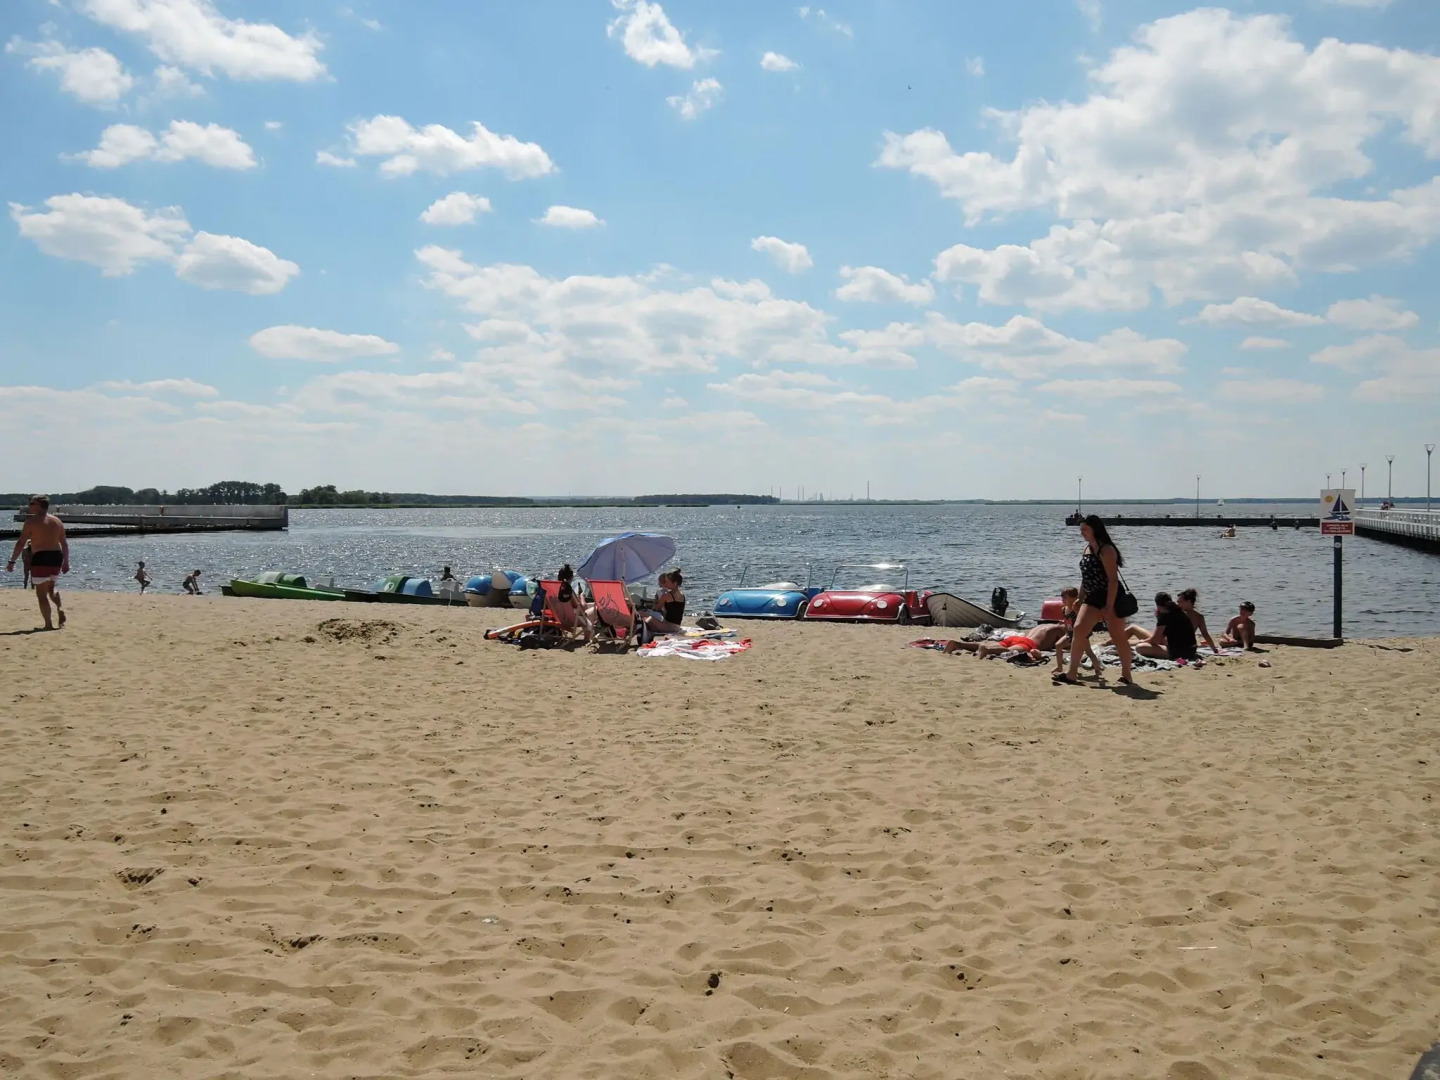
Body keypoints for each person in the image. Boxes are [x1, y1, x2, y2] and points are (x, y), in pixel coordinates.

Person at [1055, 514, 1134, 686]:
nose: (1081, 532)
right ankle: (1071, 674)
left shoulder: (1107, 550)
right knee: (1078, 629)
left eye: (1084, 529)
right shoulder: (1087, 548)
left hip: (1110, 596)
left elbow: (1112, 580)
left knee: (1117, 636)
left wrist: (1108, 606)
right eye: (1081, 529)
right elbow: (1086, 577)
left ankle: (1127, 675)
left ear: (1094, 529)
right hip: (1092, 597)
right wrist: (1080, 597)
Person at [6, 495, 68, 630]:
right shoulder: (57, 521)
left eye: (32, 503)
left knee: (41, 593)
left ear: (39, 505)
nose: (29, 505)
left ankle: (48, 625)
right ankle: (60, 607)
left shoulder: (31, 522)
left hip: (41, 556)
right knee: (51, 587)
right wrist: (66, 561)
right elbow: (64, 543)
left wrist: (12, 561)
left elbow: (21, 542)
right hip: (57, 556)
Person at [1133, 592, 1198, 661]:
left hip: (1180, 652)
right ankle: (1121, 644)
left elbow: (1156, 640)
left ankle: (1122, 646)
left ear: (1158, 605)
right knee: (1133, 628)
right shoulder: (1178, 611)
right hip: (1190, 648)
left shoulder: (1165, 616)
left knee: (1139, 647)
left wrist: (1143, 641)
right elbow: (1161, 638)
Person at [1053, 586, 1102, 676]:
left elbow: (1083, 620)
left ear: (1074, 598)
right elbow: (1067, 621)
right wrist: (1062, 622)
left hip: (1081, 634)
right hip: (1070, 634)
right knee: (1058, 645)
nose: (1063, 599)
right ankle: (1059, 667)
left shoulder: (1076, 610)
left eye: (1065, 597)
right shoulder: (1063, 609)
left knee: (1089, 652)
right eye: (1062, 597)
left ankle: (1097, 669)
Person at [551, 563, 593, 643]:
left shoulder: (552, 589)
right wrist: (582, 597)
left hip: (558, 618)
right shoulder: (568, 589)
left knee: (593, 605)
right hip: (572, 620)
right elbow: (582, 608)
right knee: (596, 609)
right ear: (570, 578)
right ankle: (587, 637)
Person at [1176, 588, 1222, 654]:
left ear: (1188, 602)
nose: (1178, 604)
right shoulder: (1199, 617)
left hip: (1178, 647)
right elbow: (1205, 634)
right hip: (1191, 648)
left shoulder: (1177, 615)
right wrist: (1214, 649)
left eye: (1180, 602)